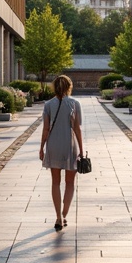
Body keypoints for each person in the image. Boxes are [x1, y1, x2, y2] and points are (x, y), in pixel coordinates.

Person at [39, 75, 84, 231]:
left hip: (53, 145)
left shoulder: (48, 105)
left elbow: (45, 129)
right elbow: (77, 129)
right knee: (70, 182)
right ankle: (65, 213)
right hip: (70, 145)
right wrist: (82, 151)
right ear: (69, 87)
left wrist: (41, 147)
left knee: (55, 182)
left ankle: (58, 216)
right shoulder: (74, 103)